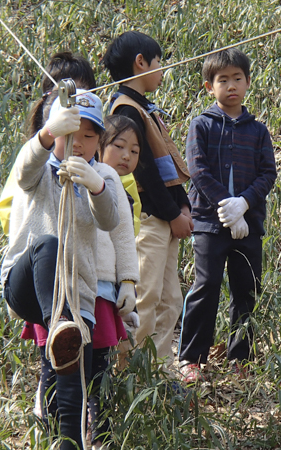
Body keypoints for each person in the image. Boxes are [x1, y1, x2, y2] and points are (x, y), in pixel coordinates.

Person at [1, 83, 121, 449]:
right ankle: (59, 326)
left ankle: (67, 442)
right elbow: (23, 172)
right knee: (47, 245)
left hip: (76, 298)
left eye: (88, 136)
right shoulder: (40, 170)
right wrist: (47, 132)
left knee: (69, 378)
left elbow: (111, 220)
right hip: (28, 288)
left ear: (99, 141)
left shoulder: (98, 178)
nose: (79, 143)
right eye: (70, 133)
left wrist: (96, 186)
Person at [178, 48, 277, 383]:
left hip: (249, 224)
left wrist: (244, 206)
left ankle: (241, 359)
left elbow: (268, 174)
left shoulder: (258, 131)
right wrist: (227, 207)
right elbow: (198, 171)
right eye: (223, 80)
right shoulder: (201, 125)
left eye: (237, 78)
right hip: (208, 221)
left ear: (248, 82)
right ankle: (191, 358)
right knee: (206, 286)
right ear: (210, 87)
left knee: (246, 289)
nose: (231, 85)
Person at [102, 31, 192, 368]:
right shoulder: (125, 111)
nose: (161, 70)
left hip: (165, 216)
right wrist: (172, 213)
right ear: (140, 62)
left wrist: (183, 205)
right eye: (158, 63)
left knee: (170, 298)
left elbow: (164, 160)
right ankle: (129, 373)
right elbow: (145, 172)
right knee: (145, 296)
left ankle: (160, 372)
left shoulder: (144, 109)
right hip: (149, 218)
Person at [88, 115, 143, 449]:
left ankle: (102, 435)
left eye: (134, 150)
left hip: (107, 288)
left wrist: (128, 284)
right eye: (119, 146)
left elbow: (125, 241)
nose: (127, 156)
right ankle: (59, 426)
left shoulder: (126, 187)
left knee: (101, 367)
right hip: (79, 285)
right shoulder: (86, 178)